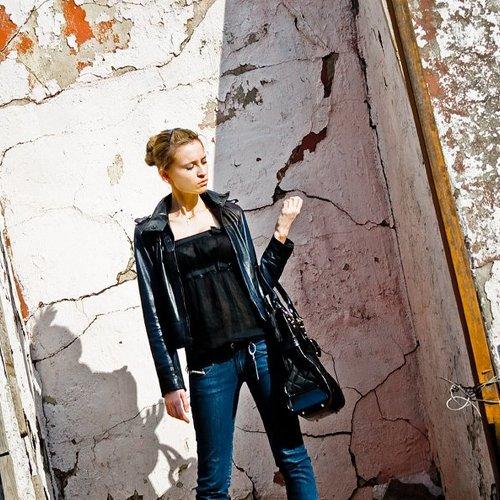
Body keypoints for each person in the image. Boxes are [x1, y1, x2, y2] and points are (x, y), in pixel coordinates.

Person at [133, 127, 319, 499]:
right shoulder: (152, 234)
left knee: (293, 457)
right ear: (166, 175)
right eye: (190, 166)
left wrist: (281, 233)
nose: (202, 171)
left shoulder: (229, 213)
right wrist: (170, 382)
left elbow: (258, 284)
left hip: (260, 349)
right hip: (209, 364)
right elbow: (154, 312)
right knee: (214, 483)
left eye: (203, 161)